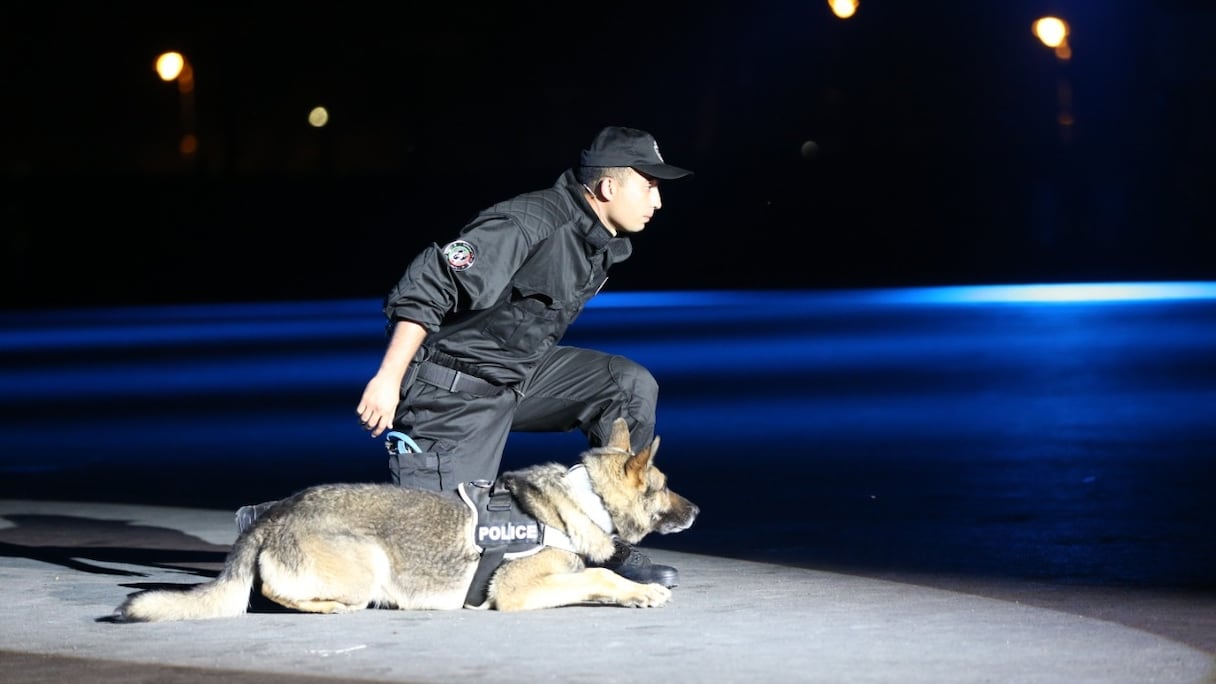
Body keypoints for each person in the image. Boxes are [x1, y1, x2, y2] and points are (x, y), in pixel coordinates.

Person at [242, 126, 692, 587]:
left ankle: (606, 546)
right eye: (649, 185)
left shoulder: (599, 241)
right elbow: (427, 288)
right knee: (437, 555)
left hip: (517, 374)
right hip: (454, 389)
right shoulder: (528, 222)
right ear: (608, 186)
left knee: (627, 385)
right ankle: (279, 527)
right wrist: (389, 379)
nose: (657, 201)